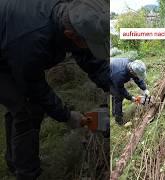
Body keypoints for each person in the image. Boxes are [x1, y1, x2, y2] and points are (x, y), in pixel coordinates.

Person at [0, 0, 110, 179]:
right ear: (70, 34)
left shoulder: (73, 19)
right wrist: (67, 116)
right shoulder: (32, 41)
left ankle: (15, 159)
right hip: (9, 52)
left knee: (20, 106)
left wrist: (112, 85)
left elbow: (91, 60)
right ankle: (27, 173)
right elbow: (34, 88)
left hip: (13, 42)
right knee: (27, 109)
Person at [109, 58, 150, 125]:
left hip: (114, 71)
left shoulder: (132, 65)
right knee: (119, 96)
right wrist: (131, 98)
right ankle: (118, 119)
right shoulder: (119, 75)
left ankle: (114, 112)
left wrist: (144, 89)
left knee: (116, 94)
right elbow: (121, 90)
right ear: (132, 72)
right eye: (136, 74)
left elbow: (137, 78)